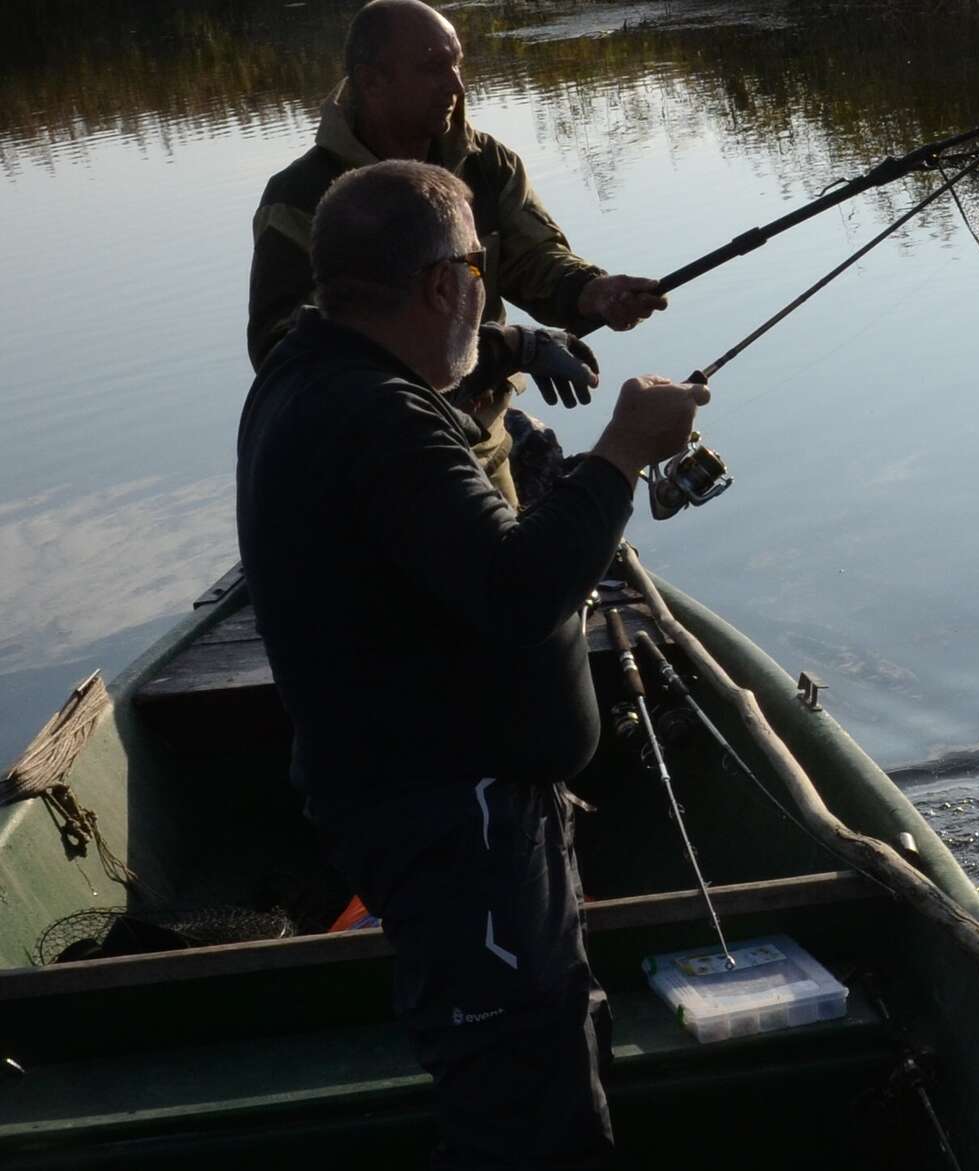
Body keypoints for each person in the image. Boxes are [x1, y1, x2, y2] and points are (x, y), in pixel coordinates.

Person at [236, 158, 708, 1168]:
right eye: (479, 278)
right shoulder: (377, 420)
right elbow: (515, 590)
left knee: (546, 1048)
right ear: (444, 284)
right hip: (452, 818)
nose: (485, 296)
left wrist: (515, 352)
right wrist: (618, 453)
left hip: (447, 807)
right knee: (520, 1104)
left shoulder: (316, 371)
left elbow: (461, 559)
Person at [248, 0, 669, 505]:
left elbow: (533, 259)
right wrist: (511, 347)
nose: (456, 86)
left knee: (547, 550)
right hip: (375, 449)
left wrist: (592, 292)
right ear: (372, 80)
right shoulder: (298, 196)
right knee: (514, 569)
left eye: (457, 64)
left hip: (483, 422)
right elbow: (281, 349)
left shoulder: (487, 164)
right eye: (432, 68)